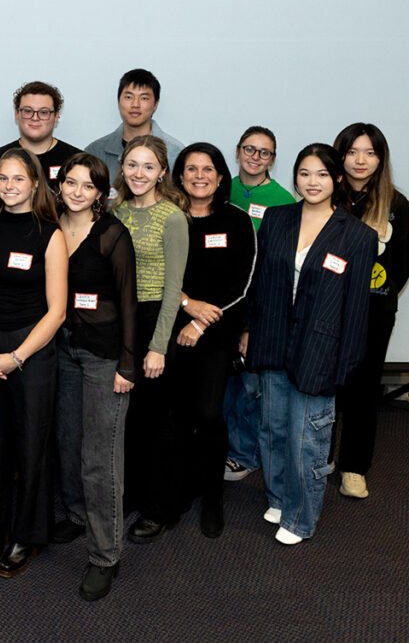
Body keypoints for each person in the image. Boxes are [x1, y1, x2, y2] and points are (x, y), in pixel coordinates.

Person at [247, 143, 376, 544]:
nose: (312, 182)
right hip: (272, 340)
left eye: (321, 174)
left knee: (307, 440)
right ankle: (279, 497)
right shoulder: (276, 219)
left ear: (337, 178)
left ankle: (301, 517)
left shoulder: (358, 236)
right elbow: (261, 284)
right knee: (272, 429)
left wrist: (345, 363)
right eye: (304, 173)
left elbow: (357, 309)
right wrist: (249, 332)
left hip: (319, 351)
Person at [0, 147, 67, 578]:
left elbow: (57, 311)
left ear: (35, 183)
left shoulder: (50, 234)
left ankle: (27, 534)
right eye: (3, 178)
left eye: (18, 178)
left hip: (32, 351)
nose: (9, 186)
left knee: (30, 444)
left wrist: (17, 358)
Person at [157, 143, 256, 540]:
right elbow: (157, 272)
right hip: (171, 328)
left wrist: (200, 323)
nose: (199, 176)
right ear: (179, 176)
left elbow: (242, 284)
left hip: (216, 334)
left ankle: (212, 496)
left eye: (208, 169)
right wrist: (187, 305)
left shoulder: (237, 221)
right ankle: (181, 490)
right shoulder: (170, 217)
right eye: (191, 169)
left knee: (209, 413)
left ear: (220, 176)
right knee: (176, 415)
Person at [50, 152, 136, 601]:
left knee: (100, 457)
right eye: (71, 182)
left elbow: (128, 301)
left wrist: (128, 364)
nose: (78, 192)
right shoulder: (51, 226)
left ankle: (105, 554)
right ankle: (77, 515)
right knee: (68, 441)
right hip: (62, 349)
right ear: (60, 184)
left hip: (105, 356)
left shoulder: (112, 234)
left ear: (101, 193)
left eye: (88, 185)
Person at [109, 136, 189, 543]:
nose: (139, 173)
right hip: (121, 319)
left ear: (162, 173)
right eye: (132, 165)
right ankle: (133, 494)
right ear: (122, 168)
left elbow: (174, 288)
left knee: (159, 421)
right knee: (129, 418)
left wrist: (159, 346)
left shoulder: (172, 217)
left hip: (155, 319)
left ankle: (159, 507)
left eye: (148, 166)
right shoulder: (115, 211)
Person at [333, 123, 409, 499]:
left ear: (380, 159)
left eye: (370, 153)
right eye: (352, 152)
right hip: (326, 312)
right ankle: (320, 458)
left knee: (363, 390)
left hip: (372, 313)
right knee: (321, 388)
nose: (360, 160)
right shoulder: (325, 195)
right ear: (340, 155)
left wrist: (375, 294)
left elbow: (403, 262)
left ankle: (354, 467)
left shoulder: (396, 206)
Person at [223, 126, 296, 484]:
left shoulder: (283, 201)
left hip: (258, 306)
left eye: (264, 152)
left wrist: (252, 324)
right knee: (222, 384)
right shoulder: (221, 187)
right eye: (249, 149)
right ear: (237, 151)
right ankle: (221, 447)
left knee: (249, 386)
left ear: (273, 159)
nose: (255, 157)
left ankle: (243, 454)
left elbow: (279, 266)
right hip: (221, 303)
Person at [0, 81, 81, 193]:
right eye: (28, 111)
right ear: (17, 114)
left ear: (56, 116)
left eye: (44, 112)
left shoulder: (77, 161)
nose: (35, 118)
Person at [85, 69, 184, 184]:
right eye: (128, 97)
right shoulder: (95, 152)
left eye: (144, 98)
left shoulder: (174, 152)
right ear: (118, 101)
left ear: (155, 104)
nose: (135, 104)